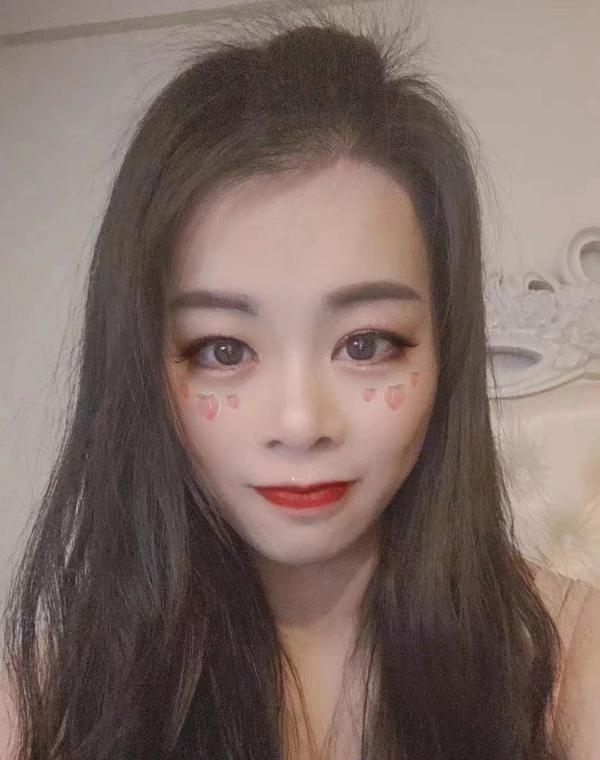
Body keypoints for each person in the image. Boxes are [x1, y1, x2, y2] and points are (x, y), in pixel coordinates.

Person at [1, 4, 599, 760]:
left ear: (445, 351)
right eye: (223, 350)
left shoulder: (568, 663)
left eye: (365, 344)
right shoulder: (48, 702)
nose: (299, 422)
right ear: (143, 366)